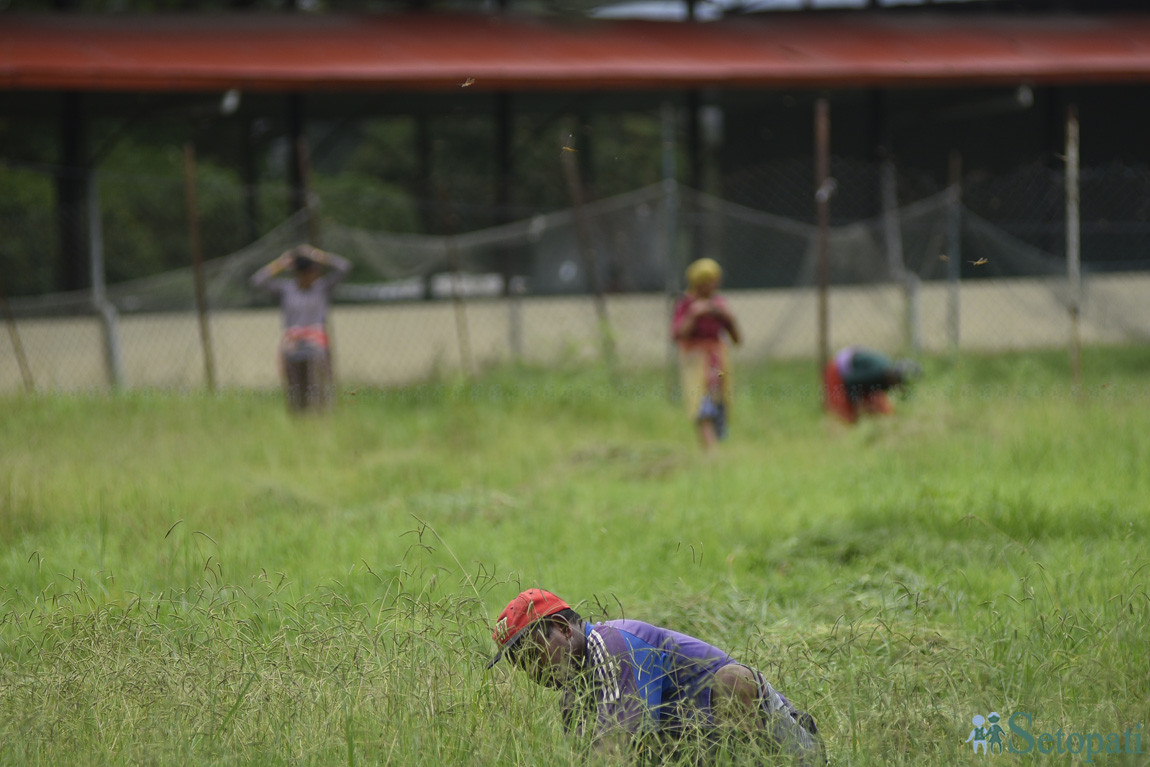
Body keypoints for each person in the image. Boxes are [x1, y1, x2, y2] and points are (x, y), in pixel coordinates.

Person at [487, 588, 826, 766]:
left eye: (532, 654)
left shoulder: (610, 644)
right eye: (519, 664)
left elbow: (613, 752)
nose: (531, 670)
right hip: (714, 753)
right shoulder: (573, 700)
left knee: (732, 680)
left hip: (792, 751)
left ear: (562, 629)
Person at [249, 244, 351, 412]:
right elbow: (257, 281)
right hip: (293, 346)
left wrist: (319, 256)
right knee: (296, 391)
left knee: (319, 387)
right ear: (300, 273)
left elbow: (345, 267)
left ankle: (322, 419)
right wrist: (281, 263)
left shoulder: (322, 288)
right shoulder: (286, 289)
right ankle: (300, 421)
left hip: (316, 346)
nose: (315, 275)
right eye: (311, 271)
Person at [671, 258, 741, 451]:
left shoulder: (719, 304)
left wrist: (728, 318)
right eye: (707, 281)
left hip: (717, 363)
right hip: (695, 363)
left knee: (718, 403)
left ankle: (710, 450)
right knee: (701, 405)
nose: (712, 285)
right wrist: (694, 315)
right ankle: (711, 452)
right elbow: (677, 335)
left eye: (714, 280)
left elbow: (737, 339)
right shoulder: (686, 304)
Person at [822, 345, 918, 425]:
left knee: (884, 412)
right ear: (893, 377)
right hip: (838, 372)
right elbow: (850, 382)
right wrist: (857, 406)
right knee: (845, 416)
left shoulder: (885, 379)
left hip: (861, 381)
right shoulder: (876, 374)